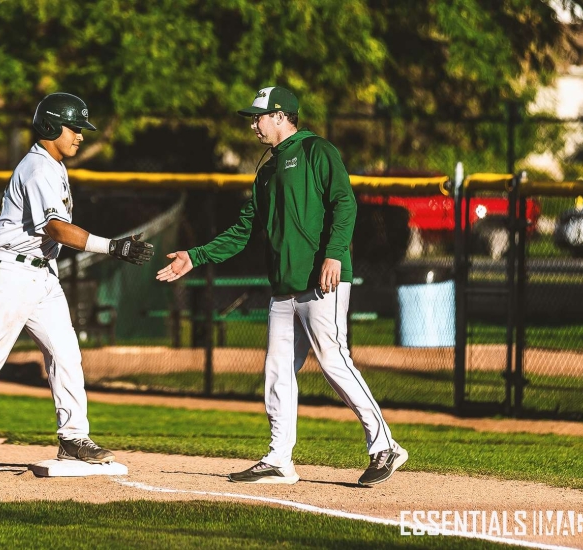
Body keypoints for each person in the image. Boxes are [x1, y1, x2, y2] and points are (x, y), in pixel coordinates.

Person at [156, 86, 407, 487]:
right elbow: (242, 231)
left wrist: (335, 253)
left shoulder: (316, 151)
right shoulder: (267, 169)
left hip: (321, 280)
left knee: (333, 361)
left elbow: (345, 202)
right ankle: (278, 459)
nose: (253, 125)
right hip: (284, 288)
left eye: (258, 117)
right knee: (276, 371)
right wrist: (196, 256)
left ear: (280, 116)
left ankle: (385, 448)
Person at [0, 92, 154, 482]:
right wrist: (112, 246)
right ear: (50, 126)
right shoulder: (39, 167)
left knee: (66, 353)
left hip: (40, 273)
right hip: (7, 271)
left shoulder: (54, 165)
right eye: (73, 128)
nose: (79, 135)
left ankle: (73, 437)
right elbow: (55, 228)